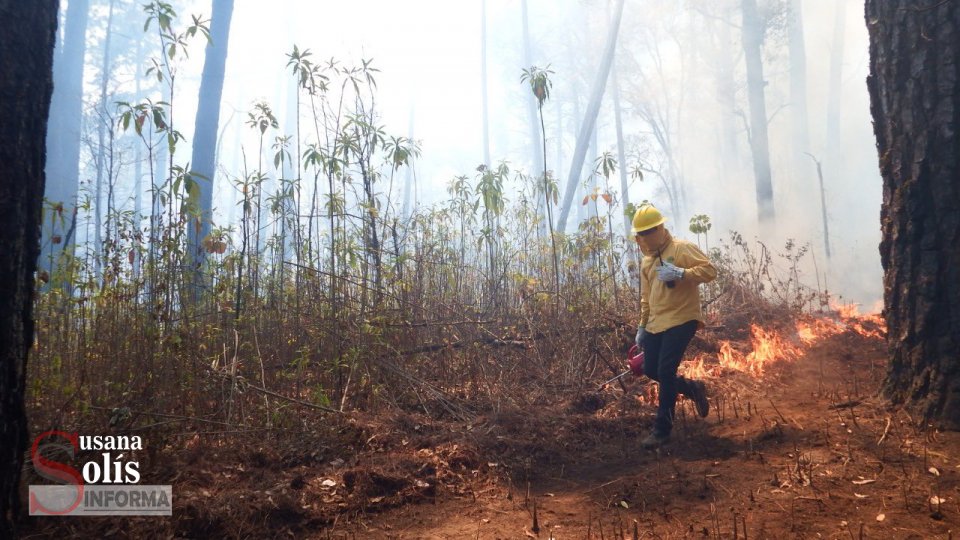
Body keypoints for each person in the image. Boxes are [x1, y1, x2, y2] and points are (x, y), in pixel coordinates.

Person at [632, 203, 717, 449]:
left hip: (682, 319)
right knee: (651, 369)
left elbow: (710, 271)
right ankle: (692, 388)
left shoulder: (681, 248)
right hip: (656, 323)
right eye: (642, 233)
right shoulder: (647, 262)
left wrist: (681, 273)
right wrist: (642, 326)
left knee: (666, 371)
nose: (646, 237)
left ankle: (662, 430)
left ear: (660, 228)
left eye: (650, 231)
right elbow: (646, 298)